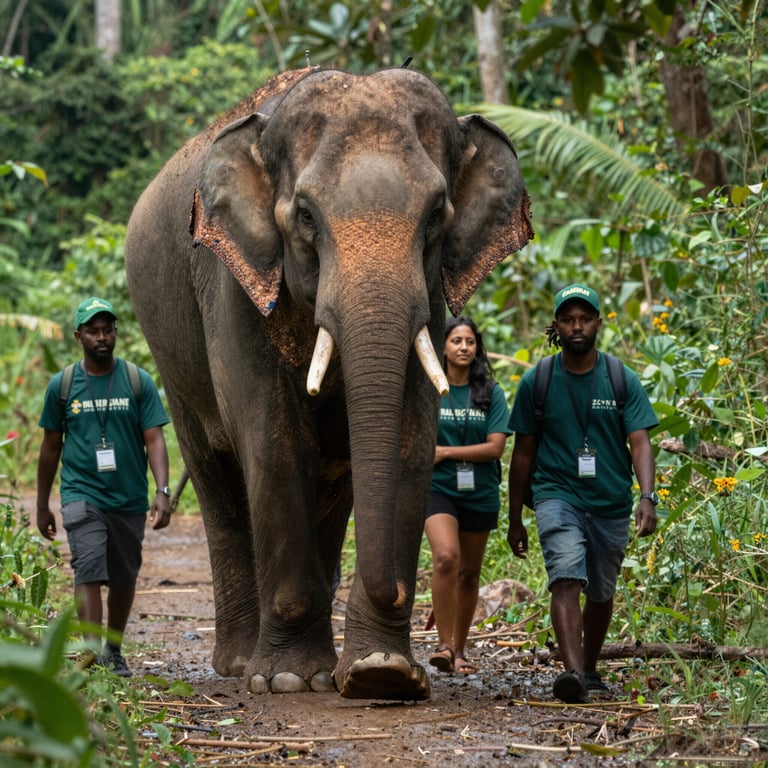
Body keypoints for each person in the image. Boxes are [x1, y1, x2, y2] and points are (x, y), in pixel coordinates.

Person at [506, 284, 658, 703]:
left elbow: (640, 442)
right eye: (568, 319)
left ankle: (589, 669)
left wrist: (648, 496)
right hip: (557, 495)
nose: (577, 326)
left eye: (584, 318)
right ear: (556, 325)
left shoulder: (619, 377)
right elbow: (522, 454)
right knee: (566, 577)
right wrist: (515, 517)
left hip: (610, 499)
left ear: (598, 323)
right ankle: (572, 674)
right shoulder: (538, 380)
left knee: (602, 591)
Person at [36, 297, 172, 677]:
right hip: (81, 493)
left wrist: (162, 491)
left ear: (115, 333)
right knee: (89, 570)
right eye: (93, 331)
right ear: (78, 336)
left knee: (124, 578)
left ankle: (113, 648)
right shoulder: (62, 386)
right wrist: (43, 503)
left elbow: (155, 439)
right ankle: (92, 657)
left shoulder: (136, 380)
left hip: (127, 497)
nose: (102, 337)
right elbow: (50, 448)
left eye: (108, 330)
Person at [425, 316, 511, 675]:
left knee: (469, 574)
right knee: (446, 558)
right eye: (456, 341)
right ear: (443, 347)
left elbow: (495, 449)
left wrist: (444, 452)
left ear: (478, 348)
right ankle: (443, 647)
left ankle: (461, 651)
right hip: (439, 488)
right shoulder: (430, 389)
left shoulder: (490, 393)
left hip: (479, 491)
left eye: (470, 342)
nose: (463, 347)